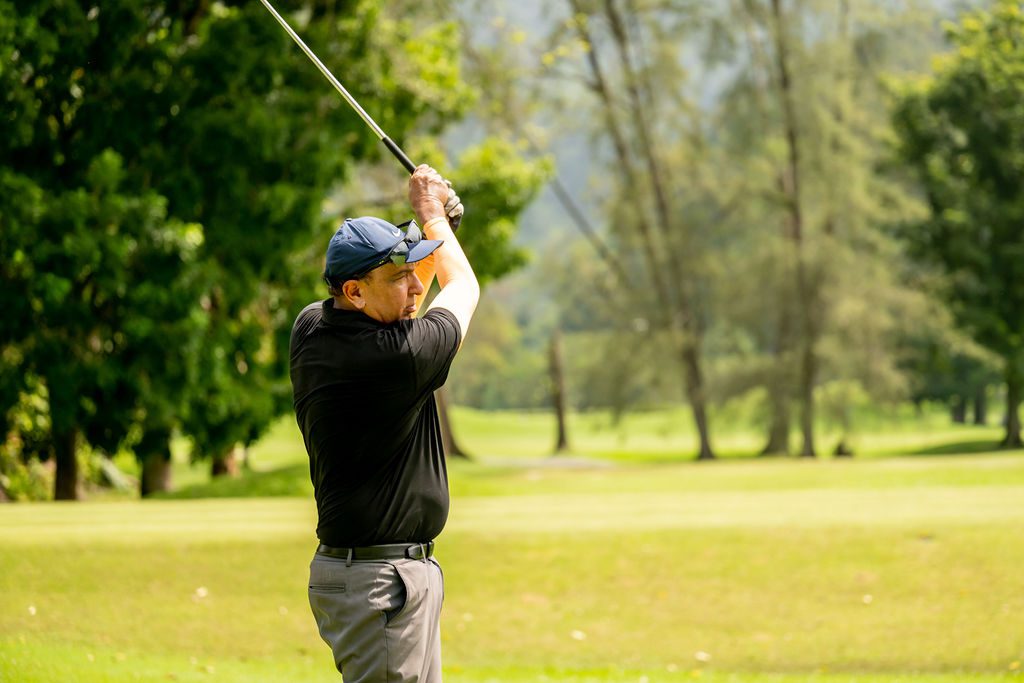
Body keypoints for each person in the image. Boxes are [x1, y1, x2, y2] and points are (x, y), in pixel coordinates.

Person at [289, 164, 478, 682]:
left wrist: (435, 232)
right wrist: (431, 213)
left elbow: (405, 292)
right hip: (379, 583)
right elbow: (462, 286)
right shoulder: (398, 360)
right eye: (400, 278)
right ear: (353, 292)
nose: (417, 288)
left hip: (386, 574)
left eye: (415, 272)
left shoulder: (312, 327)